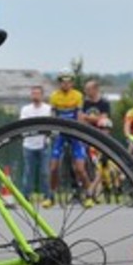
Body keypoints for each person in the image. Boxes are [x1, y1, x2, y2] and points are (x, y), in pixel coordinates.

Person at [44, 70, 88, 207]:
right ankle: (51, 196)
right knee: (53, 168)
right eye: (63, 81)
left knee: (80, 169)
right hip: (60, 134)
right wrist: (52, 130)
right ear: (59, 83)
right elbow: (53, 115)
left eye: (68, 81)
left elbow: (79, 115)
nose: (66, 84)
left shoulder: (77, 95)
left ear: (72, 83)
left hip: (74, 133)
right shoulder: (54, 96)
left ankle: (88, 194)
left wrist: (79, 131)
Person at [18, 85, 51, 200]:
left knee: (44, 172)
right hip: (29, 144)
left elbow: (49, 125)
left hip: (43, 144)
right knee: (29, 171)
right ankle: (25, 196)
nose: (35, 96)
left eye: (37, 93)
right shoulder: (26, 109)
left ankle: (48, 195)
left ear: (42, 95)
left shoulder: (47, 109)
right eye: (33, 93)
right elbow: (24, 124)